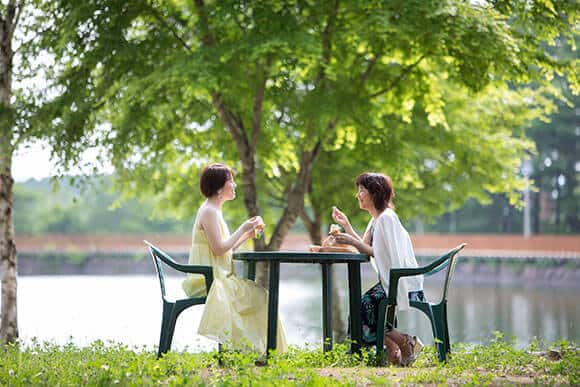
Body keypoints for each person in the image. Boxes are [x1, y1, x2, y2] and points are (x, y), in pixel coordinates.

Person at [181, 163, 287, 355]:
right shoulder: (209, 212)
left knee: (261, 296)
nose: (234, 185)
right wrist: (243, 228)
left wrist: (247, 234)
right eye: (231, 180)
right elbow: (220, 249)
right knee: (262, 297)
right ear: (219, 186)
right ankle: (259, 351)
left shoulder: (214, 211)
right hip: (208, 280)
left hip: (218, 277)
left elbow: (225, 248)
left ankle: (257, 350)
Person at [331, 172, 424, 365]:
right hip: (392, 280)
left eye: (362, 190)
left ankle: (403, 344)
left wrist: (349, 240)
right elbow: (365, 247)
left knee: (363, 307)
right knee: (363, 306)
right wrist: (347, 226)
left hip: (403, 281)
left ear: (375, 193)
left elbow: (377, 253)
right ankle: (394, 351)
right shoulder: (376, 220)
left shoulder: (386, 219)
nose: (358, 195)